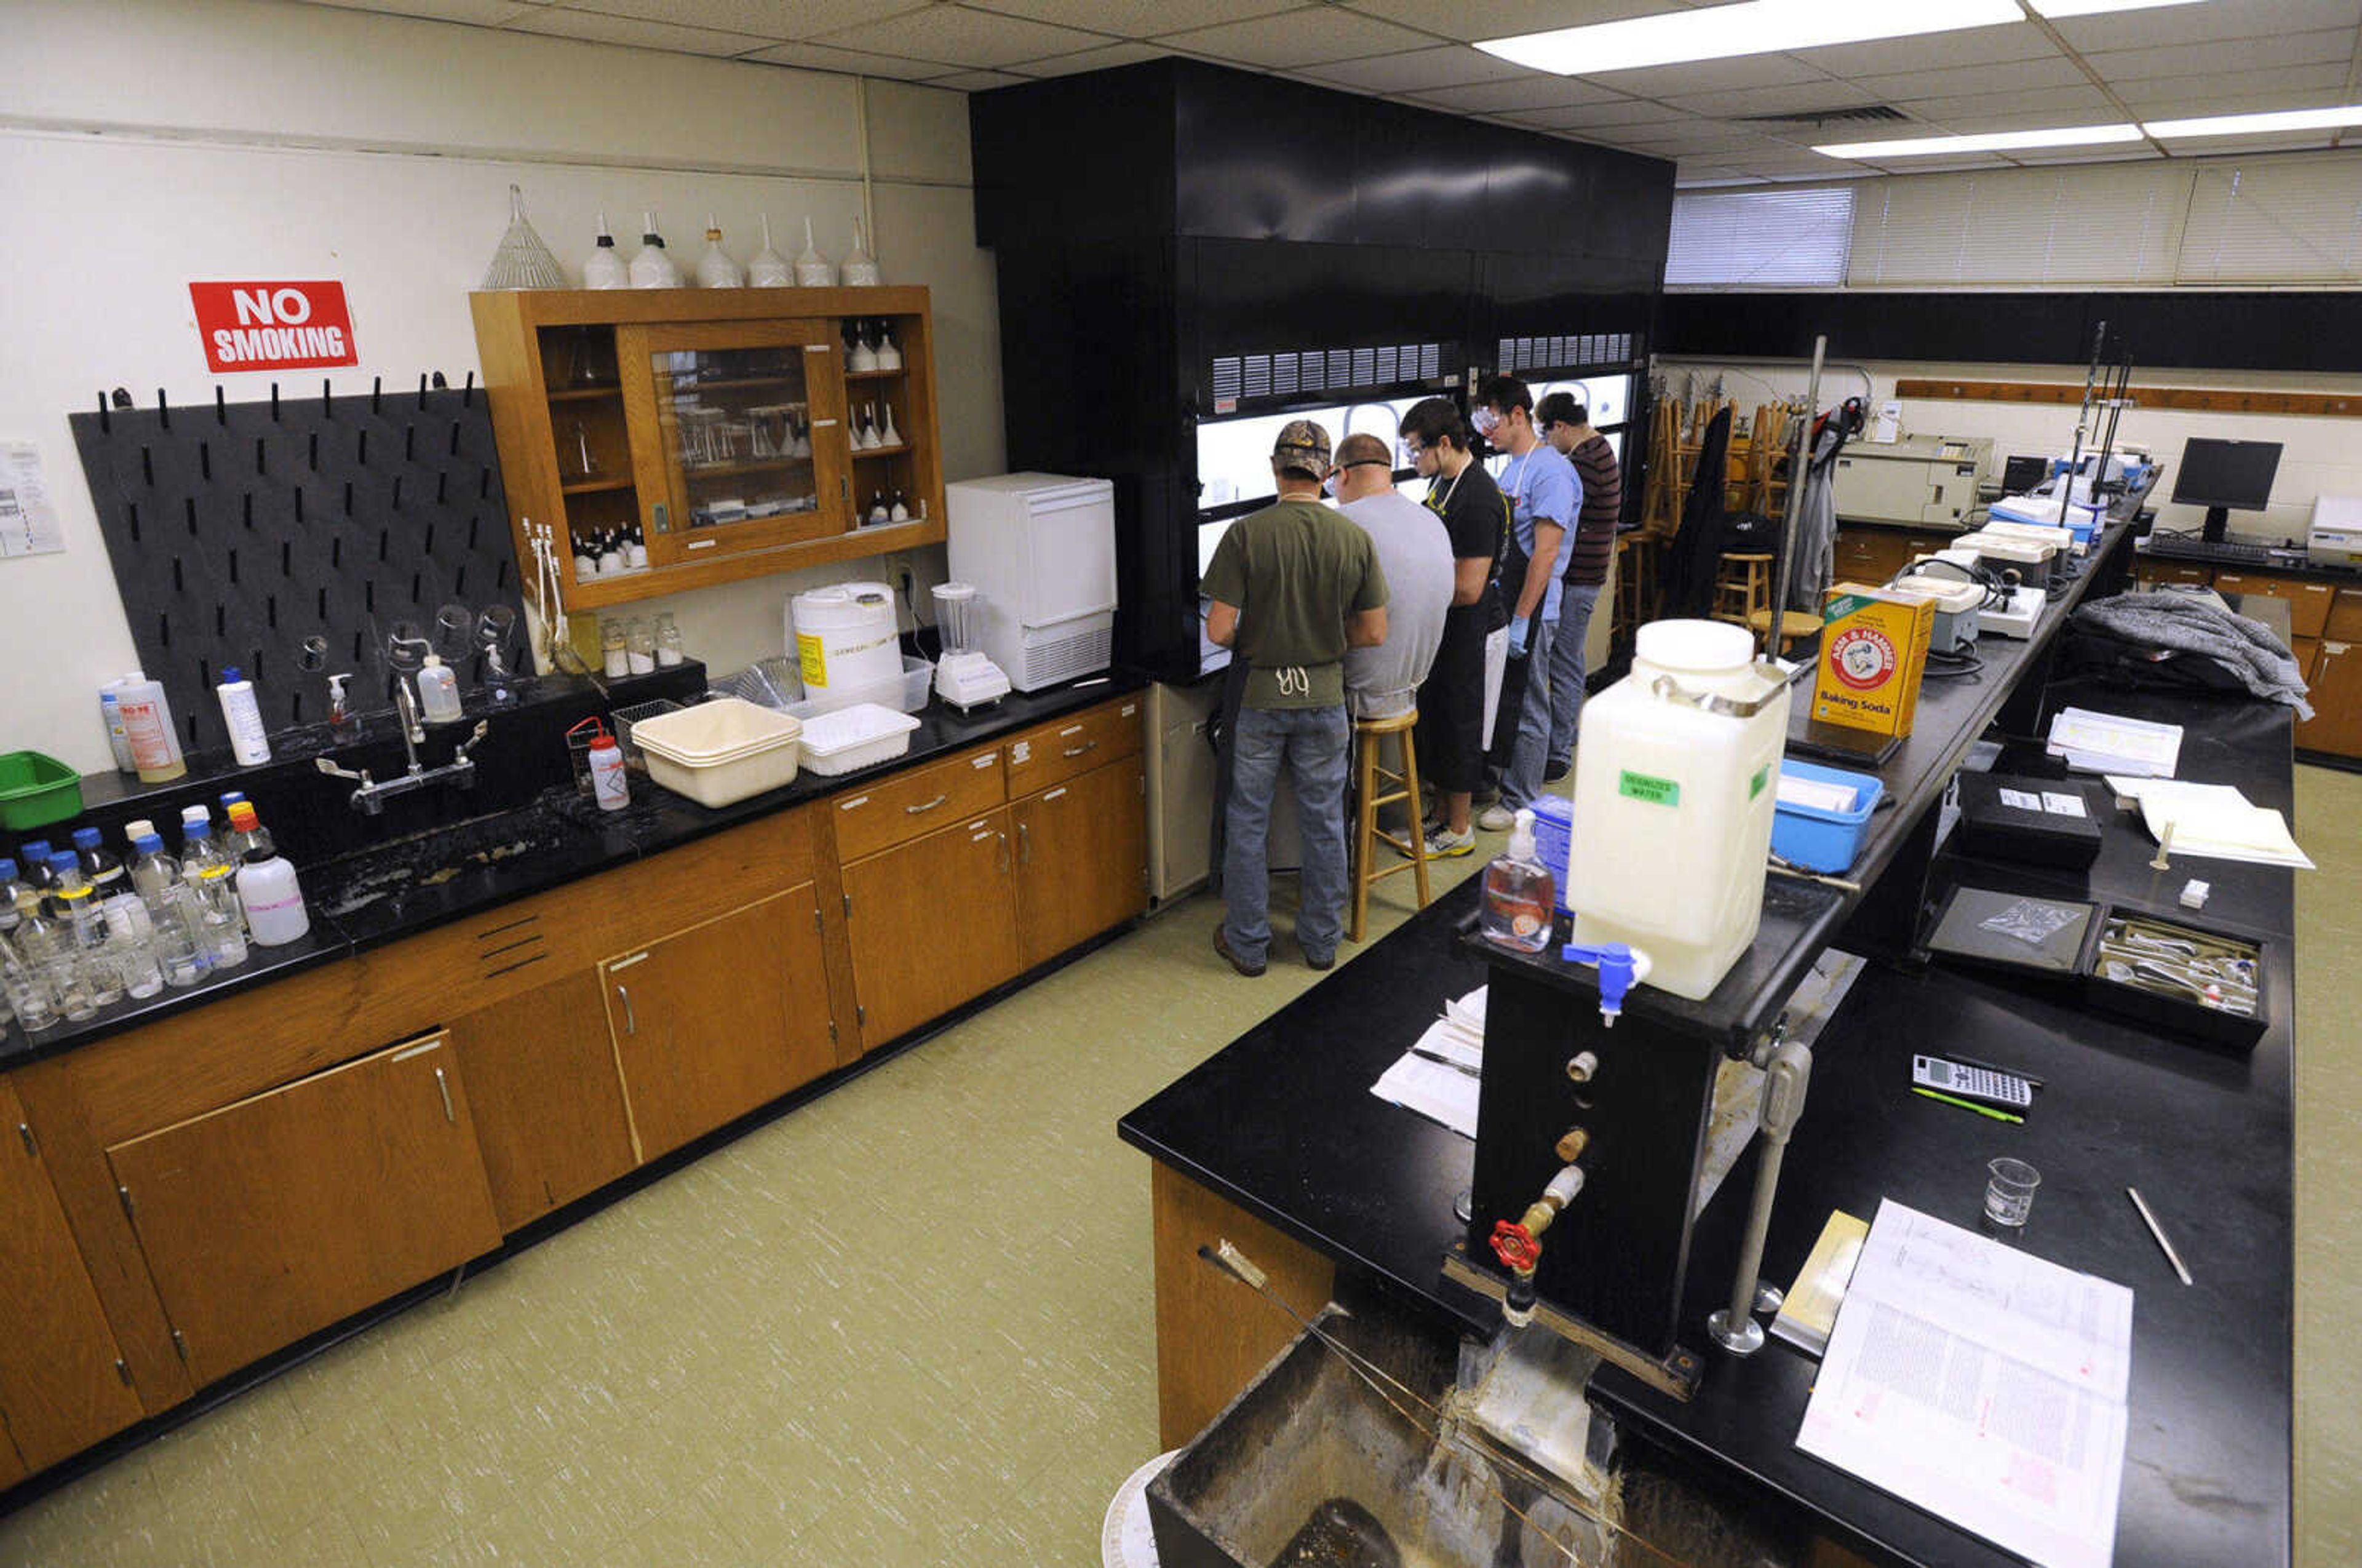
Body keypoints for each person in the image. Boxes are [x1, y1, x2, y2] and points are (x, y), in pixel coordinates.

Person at [1202, 420, 1390, 977]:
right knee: (1325, 821)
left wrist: (1258, 641)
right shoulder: (1354, 538)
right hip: (1326, 695)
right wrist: (1326, 643)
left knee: (1249, 821)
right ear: (1328, 474)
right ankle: (1321, 942)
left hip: (1262, 697)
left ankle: (1249, 944)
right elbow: (1374, 630)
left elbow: (1218, 631)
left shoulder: (1246, 534)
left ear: (1275, 468)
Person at [1400, 397, 1508, 860]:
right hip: (1446, 626)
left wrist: (1414, 596)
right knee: (1439, 719)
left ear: (1443, 443)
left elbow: (1468, 587)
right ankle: (1441, 814)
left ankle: (1459, 827)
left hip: (1474, 626)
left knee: (1462, 722)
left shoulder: (1478, 497)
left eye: (1415, 450)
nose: (1413, 460)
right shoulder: (1443, 485)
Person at [1474, 375, 1578, 831]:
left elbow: (1547, 553)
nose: (1485, 430)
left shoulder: (1550, 470)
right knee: (1506, 698)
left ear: (1518, 414)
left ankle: (1522, 800)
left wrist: (1522, 618)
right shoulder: (1510, 468)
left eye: (1491, 419)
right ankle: (1500, 779)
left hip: (1534, 607)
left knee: (1531, 701)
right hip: (1506, 600)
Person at [1332, 432, 1453, 721]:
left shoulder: (1344, 524)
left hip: (1358, 692)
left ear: (1343, 474)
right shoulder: (1430, 519)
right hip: (1415, 685)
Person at [1537, 391, 1622, 781]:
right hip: (1587, 576)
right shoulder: (1600, 446)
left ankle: (1558, 752)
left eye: (1546, 432)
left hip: (1579, 579)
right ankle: (1565, 736)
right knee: (1569, 661)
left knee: (1565, 663)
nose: (1547, 441)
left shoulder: (1584, 464)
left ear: (1561, 426)